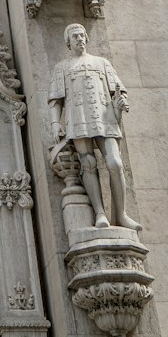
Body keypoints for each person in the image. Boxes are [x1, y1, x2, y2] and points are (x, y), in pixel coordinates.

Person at [48, 23, 140, 231]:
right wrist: (55, 124)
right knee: (87, 162)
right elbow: (55, 100)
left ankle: (121, 214)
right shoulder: (62, 67)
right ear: (68, 43)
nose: (80, 39)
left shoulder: (101, 63)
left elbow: (117, 90)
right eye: (75, 37)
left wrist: (121, 101)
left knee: (115, 163)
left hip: (104, 116)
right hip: (78, 116)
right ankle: (99, 211)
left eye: (82, 35)